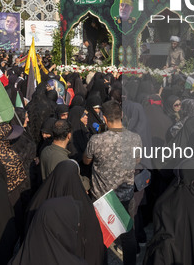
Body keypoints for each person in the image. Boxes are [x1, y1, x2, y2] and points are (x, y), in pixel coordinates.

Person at [83, 100, 142, 265]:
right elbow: (137, 160)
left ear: (104, 117)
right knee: (128, 234)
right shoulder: (135, 138)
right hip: (125, 194)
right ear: (122, 115)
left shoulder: (96, 140)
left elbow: (86, 161)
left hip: (102, 196)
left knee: (101, 236)